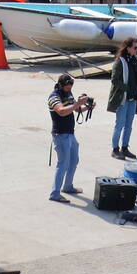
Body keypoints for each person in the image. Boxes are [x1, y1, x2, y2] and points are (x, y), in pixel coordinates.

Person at [47, 75, 93, 203]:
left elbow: (75, 109)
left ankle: (67, 186)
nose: (69, 89)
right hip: (60, 135)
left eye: (70, 87)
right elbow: (61, 111)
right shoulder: (54, 97)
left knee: (74, 160)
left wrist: (87, 107)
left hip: (70, 134)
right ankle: (55, 193)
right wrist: (78, 103)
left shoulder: (68, 93)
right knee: (63, 163)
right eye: (67, 87)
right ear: (61, 85)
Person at [107, 36, 137, 159]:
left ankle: (125, 147)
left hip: (133, 98)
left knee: (129, 125)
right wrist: (127, 88)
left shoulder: (135, 61)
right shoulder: (120, 61)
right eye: (135, 48)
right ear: (127, 48)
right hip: (123, 98)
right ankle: (115, 148)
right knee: (120, 124)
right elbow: (114, 80)